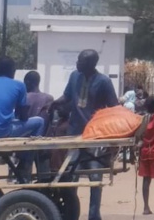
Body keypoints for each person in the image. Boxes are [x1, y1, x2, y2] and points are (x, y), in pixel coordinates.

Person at [49, 49, 119, 220]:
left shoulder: (104, 82)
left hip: (95, 137)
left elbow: (113, 108)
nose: (77, 63)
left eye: (80, 61)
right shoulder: (74, 77)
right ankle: (71, 213)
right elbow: (66, 97)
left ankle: (94, 215)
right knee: (71, 177)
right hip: (74, 135)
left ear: (90, 64)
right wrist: (54, 103)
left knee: (95, 178)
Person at [0, 57, 46, 182]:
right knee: (39, 121)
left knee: (4, 122)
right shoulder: (19, 85)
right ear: (13, 70)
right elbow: (23, 117)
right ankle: (25, 162)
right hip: (2, 132)